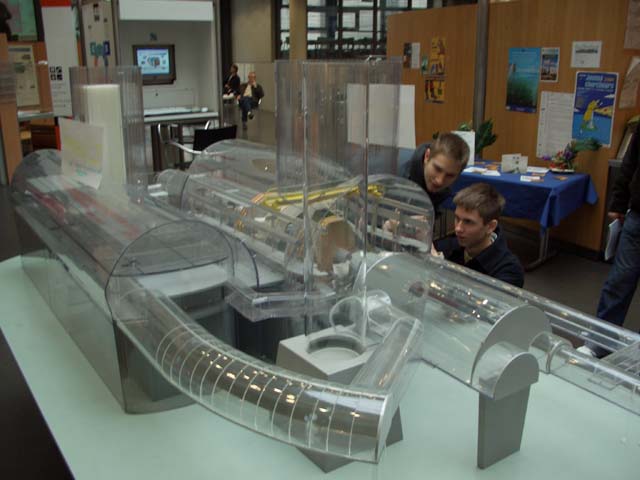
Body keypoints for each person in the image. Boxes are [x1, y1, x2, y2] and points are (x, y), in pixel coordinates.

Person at [595, 124, 640, 334]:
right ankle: (599, 342)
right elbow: (629, 164)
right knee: (619, 282)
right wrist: (618, 204)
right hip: (638, 217)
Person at [435, 183, 524, 287]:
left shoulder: (509, 270)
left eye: (468, 222)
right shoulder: (449, 245)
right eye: (457, 218)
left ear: (490, 226)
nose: (458, 228)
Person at [403, 132, 470, 214]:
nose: (440, 181)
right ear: (427, 156)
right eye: (437, 169)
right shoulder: (397, 177)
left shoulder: (445, 191)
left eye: (450, 176)